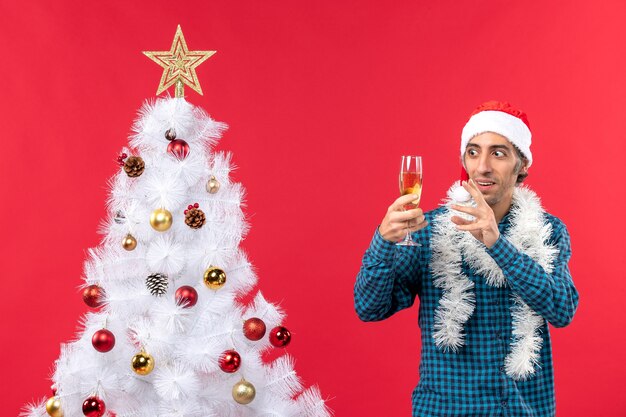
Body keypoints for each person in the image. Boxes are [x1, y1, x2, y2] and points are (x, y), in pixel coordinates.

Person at [354, 101, 579, 417]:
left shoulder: (547, 231)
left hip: (523, 409)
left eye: (498, 153)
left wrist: (497, 245)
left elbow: (561, 309)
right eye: (473, 152)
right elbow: (369, 308)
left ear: (522, 164)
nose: (483, 166)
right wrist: (383, 242)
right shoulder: (428, 230)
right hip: (445, 409)